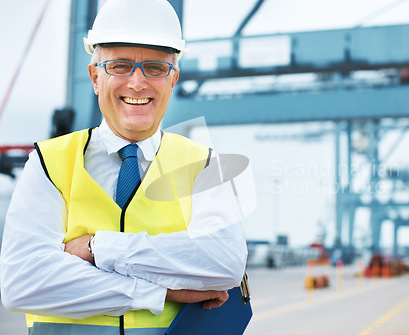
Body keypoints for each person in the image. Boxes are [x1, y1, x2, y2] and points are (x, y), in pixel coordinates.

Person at [0, 0, 248, 334]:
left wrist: (97, 248)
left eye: (155, 68)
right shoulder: (48, 162)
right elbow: (22, 283)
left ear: (173, 79)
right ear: (94, 77)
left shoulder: (203, 164)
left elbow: (224, 264)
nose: (137, 83)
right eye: (119, 66)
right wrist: (159, 291)